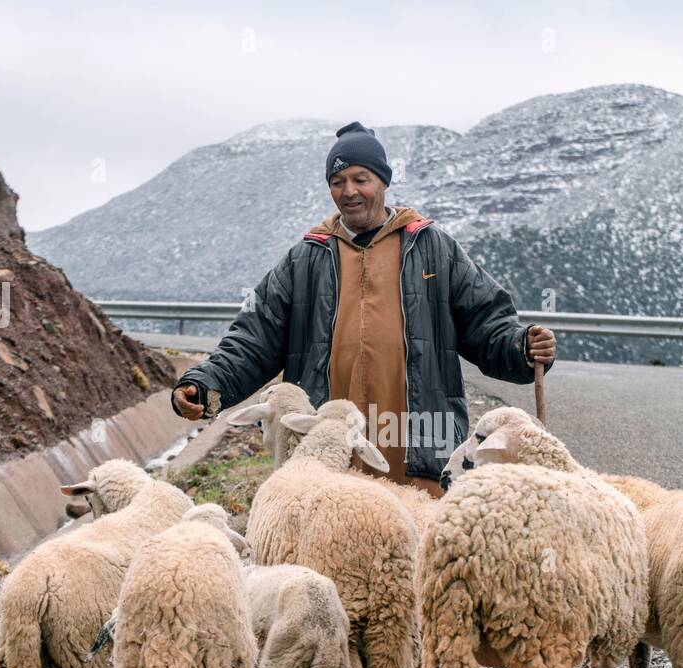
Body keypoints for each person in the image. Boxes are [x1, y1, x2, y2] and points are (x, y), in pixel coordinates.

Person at [172, 121, 556, 495]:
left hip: (417, 444)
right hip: (328, 450)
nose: (349, 191)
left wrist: (520, 347)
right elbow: (253, 340)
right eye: (337, 182)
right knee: (331, 544)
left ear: (383, 182)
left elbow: (486, 321)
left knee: (413, 550)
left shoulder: (433, 248)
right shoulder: (305, 259)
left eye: (361, 179)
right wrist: (206, 385)